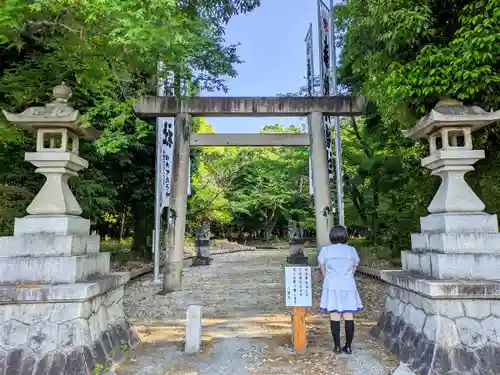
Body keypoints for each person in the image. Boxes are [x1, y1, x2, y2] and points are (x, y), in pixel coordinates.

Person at [318, 225, 363, 354]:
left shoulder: (326, 251)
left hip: (332, 286)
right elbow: (354, 268)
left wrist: (331, 279)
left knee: (335, 316)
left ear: (331, 236)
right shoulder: (351, 250)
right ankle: (348, 346)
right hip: (348, 286)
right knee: (349, 316)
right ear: (345, 235)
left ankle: (337, 346)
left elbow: (323, 271)